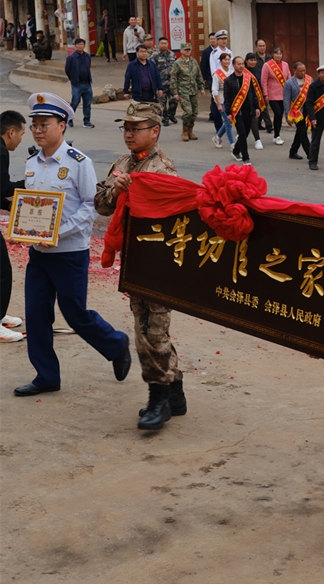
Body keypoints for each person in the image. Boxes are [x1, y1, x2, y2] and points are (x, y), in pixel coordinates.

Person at [12, 93, 132, 397]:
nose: (38, 130)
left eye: (45, 124)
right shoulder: (31, 164)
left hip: (69, 254)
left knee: (75, 313)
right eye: (34, 125)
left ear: (62, 125)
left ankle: (116, 344)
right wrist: (23, 229)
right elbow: (32, 207)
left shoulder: (78, 163)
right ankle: (46, 375)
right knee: (37, 315)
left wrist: (57, 233)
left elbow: (90, 207)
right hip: (39, 254)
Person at [93, 101, 184, 430]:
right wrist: (116, 192)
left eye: (136, 128)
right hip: (134, 262)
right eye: (126, 128)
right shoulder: (123, 163)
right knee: (148, 327)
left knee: (151, 332)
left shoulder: (163, 170)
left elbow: (174, 220)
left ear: (155, 131)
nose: (129, 133)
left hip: (157, 265)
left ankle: (158, 399)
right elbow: (100, 204)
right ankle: (175, 391)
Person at [0, 110, 26, 342]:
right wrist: (29, 184)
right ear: (10, 132)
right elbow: (4, 189)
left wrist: (11, 209)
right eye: (21, 134)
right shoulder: (0, 150)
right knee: (3, 271)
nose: (20, 140)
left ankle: (0, 315)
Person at [224, 56, 259, 165]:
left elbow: (253, 94)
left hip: (249, 110)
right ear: (234, 65)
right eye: (239, 64)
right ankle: (246, 157)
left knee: (246, 133)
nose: (241, 66)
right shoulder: (228, 80)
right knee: (242, 134)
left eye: (242, 64)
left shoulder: (248, 78)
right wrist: (228, 113)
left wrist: (257, 107)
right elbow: (227, 98)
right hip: (237, 112)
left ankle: (235, 151)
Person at [170, 42, 205, 142]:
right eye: (185, 50)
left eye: (189, 49)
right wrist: (175, 92)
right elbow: (173, 79)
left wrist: (201, 87)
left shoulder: (194, 62)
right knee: (188, 112)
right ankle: (184, 131)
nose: (187, 51)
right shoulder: (177, 63)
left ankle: (190, 131)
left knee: (194, 113)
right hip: (183, 91)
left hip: (193, 90)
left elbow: (199, 75)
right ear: (181, 51)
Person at [261, 47, 291, 146]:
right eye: (276, 53)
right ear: (272, 54)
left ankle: (276, 136)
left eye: (280, 53)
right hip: (272, 95)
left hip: (284, 94)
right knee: (277, 113)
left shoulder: (286, 65)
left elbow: (289, 79)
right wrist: (265, 94)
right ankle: (276, 135)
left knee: (280, 115)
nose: (278, 55)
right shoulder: (267, 65)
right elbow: (263, 81)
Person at [283, 61, 312, 160]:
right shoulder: (289, 83)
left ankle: (293, 151)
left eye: (304, 71)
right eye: (300, 71)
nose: (303, 73)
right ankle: (311, 154)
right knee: (303, 132)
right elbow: (286, 100)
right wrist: (288, 116)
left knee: (300, 132)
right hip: (296, 111)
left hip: (307, 110)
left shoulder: (309, 80)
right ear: (294, 71)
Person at [65, 38, 95, 129]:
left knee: (87, 103)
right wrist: (73, 79)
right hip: (76, 84)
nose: (80, 46)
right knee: (75, 102)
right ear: (75, 46)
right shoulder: (71, 57)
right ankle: (69, 118)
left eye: (82, 44)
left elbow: (88, 67)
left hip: (87, 83)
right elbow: (67, 70)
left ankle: (87, 121)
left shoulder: (87, 56)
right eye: (78, 44)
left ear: (84, 46)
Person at [150, 37, 178, 127]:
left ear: (168, 44)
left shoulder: (172, 55)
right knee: (162, 103)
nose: (163, 45)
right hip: (161, 84)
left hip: (172, 84)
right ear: (159, 44)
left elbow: (176, 68)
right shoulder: (155, 55)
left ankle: (171, 115)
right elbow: (151, 70)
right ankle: (165, 118)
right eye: (162, 43)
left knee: (174, 101)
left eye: (165, 43)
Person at [211, 53, 235, 149]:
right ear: (220, 61)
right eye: (225, 60)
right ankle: (232, 144)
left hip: (231, 101)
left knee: (227, 122)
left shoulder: (232, 72)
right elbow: (214, 90)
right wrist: (219, 104)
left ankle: (217, 137)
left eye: (228, 59)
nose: (227, 61)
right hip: (221, 100)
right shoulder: (217, 74)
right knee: (228, 123)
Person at [243, 53, 266, 150]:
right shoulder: (243, 71)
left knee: (254, 119)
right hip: (244, 99)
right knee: (247, 120)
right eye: (251, 60)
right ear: (246, 61)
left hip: (255, 98)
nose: (253, 62)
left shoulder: (257, 70)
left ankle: (256, 140)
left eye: (254, 60)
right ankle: (247, 136)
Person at [254, 40, 273, 132]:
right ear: (256, 47)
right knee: (264, 105)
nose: (262, 47)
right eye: (260, 46)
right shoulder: (254, 58)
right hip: (257, 84)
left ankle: (257, 123)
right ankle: (269, 125)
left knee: (262, 104)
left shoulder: (270, 57)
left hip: (269, 84)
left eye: (263, 45)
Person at [200, 32, 216, 120]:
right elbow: (203, 65)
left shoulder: (221, 51)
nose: (213, 40)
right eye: (211, 39)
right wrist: (203, 78)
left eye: (214, 38)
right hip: (210, 78)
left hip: (220, 77)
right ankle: (213, 114)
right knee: (214, 95)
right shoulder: (206, 52)